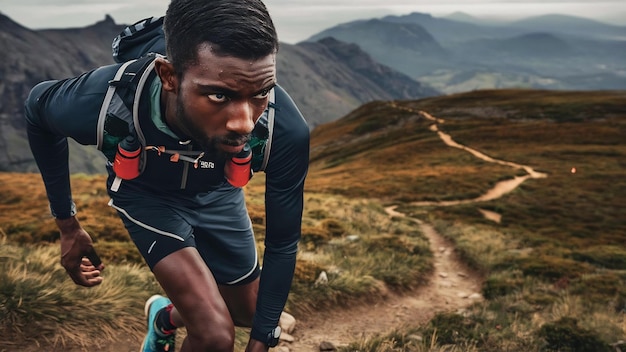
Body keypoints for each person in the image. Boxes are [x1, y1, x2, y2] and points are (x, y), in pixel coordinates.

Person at [24, 0, 309, 351]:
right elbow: (36, 110)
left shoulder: (283, 131)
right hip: (146, 196)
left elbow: (282, 243)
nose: (245, 122)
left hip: (217, 192)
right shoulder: (105, 101)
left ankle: (164, 318)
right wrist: (67, 225)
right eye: (219, 95)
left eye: (261, 92)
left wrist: (264, 338)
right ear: (169, 76)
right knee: (215, 336)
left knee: (252, 313)